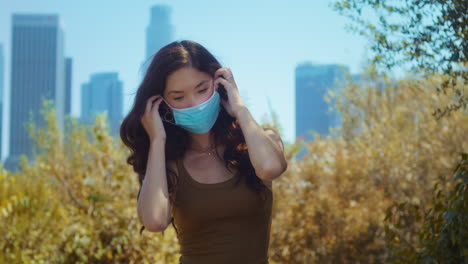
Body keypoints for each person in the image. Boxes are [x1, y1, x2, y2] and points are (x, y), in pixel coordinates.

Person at [120, 40, 288, 263]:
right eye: (178, 97)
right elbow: (154, 221)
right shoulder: (170, 164)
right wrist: (157, 140)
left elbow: (270, 168)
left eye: (202, 89)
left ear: (219, 85)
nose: (194, 103)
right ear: (163, 104)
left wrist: (239, 108)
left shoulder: (261, 141)